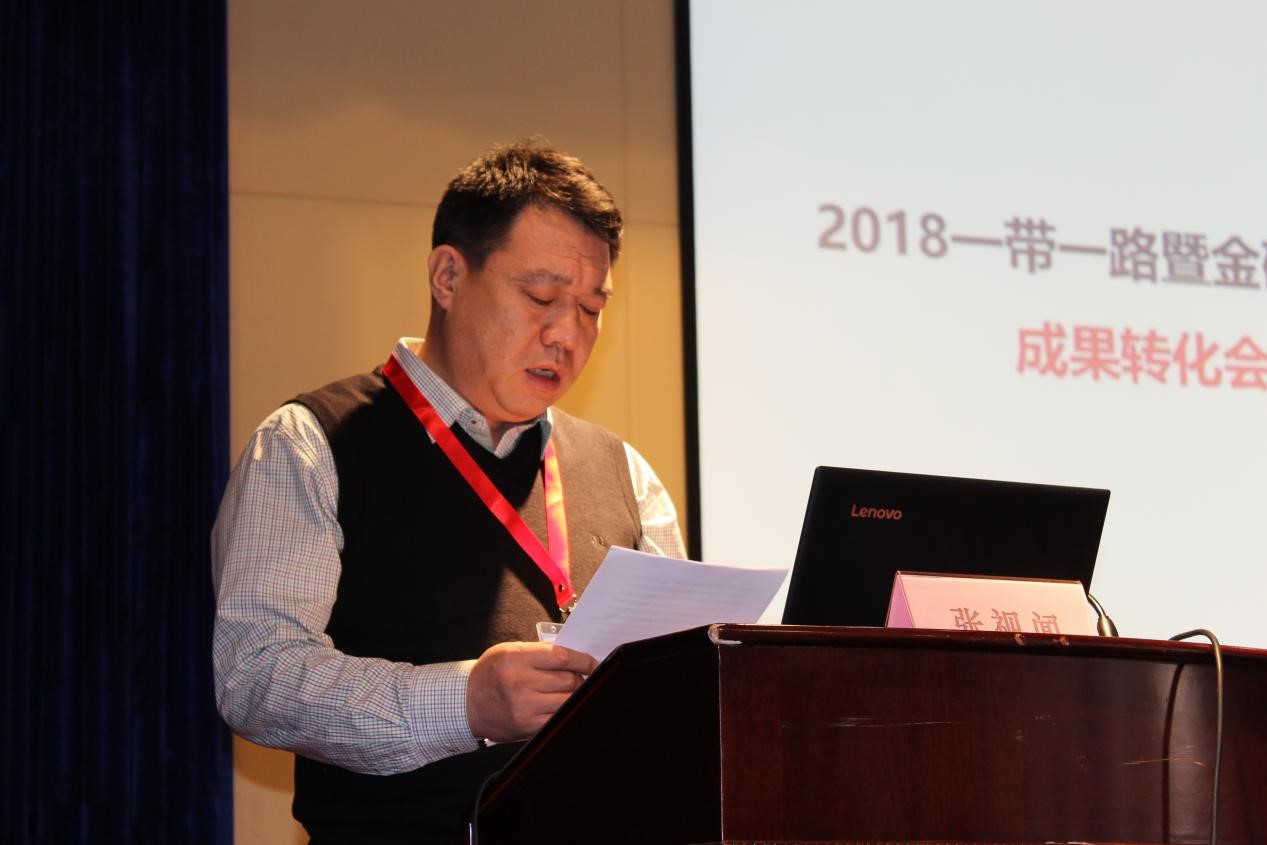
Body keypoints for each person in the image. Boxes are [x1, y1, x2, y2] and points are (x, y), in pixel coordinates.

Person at [211, 142, 686, 843]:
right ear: (448, 276)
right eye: (541, 297)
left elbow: (674, 685)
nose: (567, 334)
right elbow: (256, 677)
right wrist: (464, 703)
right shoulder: (312, 443)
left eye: (591, 308)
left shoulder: (623, 471)